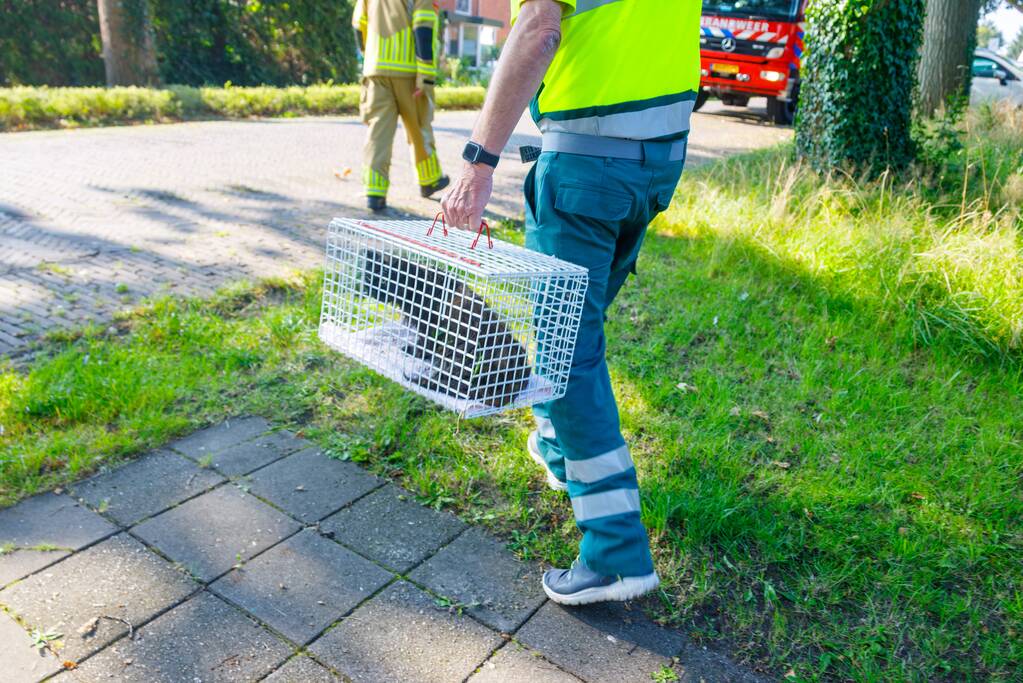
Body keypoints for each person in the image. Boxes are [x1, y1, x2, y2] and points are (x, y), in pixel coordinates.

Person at [441, 0, 700, 605]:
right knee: (575, 330)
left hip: (587, 165)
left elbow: (536, 32)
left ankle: (615, 555)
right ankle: (560, 450)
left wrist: (477, 165)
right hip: (658, 161)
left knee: (567, 357)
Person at [352, 0, 449, 212]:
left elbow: (359, 25)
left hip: (375, 71)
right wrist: (426, 74)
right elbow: (423, 26)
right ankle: (429, 179)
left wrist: (371, 57)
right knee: (419, 127)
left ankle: (374, 192)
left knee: (378, 132)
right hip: (409, 73)